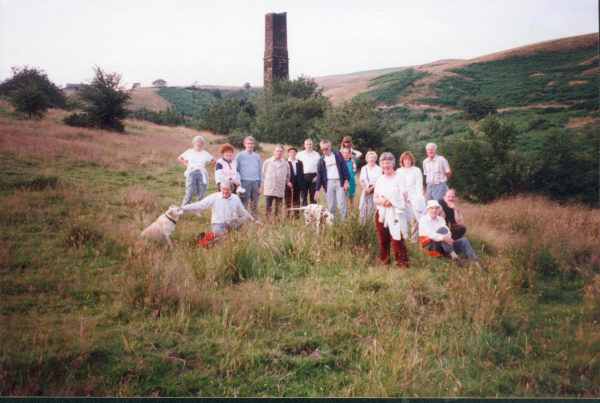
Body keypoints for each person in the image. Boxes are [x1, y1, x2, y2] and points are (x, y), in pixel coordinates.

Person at [418, 200, 482, 269]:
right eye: (432, 208)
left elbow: (447, 230)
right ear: (427, 209)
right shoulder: (423, 220)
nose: (434, 210)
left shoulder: (441, 219)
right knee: (441, 230)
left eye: (436, 208)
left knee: (464, 240)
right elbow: (430, 234)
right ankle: (454, 257)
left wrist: (448, 238)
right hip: (429, 245)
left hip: (442, 244)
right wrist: (444, 238)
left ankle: (476, 264)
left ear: (439, 210)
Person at [373, 152, 410, 268]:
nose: (385, 166)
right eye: (383, 163)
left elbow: (404, 195)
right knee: (383, 240)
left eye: (388, 163)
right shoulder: (380, 179)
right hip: (381, 213)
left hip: (396, 214)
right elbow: (375, 198)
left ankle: (402, 264)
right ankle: (385, 263)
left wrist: (392, 202)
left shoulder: (399, 177)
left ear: (393, 164)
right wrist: (384, 203)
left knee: (397, 239)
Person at [180, 180, 258, 235]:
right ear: (220, 188)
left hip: (233, 222)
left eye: (228, 190)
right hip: (218, 224)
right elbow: (199, 205)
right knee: (222, 238)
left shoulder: (235, 198)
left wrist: (253, 220)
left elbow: (242, 211)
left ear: (232, 190)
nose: (225, 192)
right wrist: (183, 208)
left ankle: (240, 235)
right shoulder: (213, 197)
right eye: (223, 189)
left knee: (246, 221)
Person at [315, 139, 350, 220]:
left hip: (339, 182)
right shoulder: (321, 160)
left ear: (330, 147)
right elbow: (319, 175)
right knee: (331, 206)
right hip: (328, 183)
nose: (324, 151)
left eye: (326, 149)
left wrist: (346, 181)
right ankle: (333, 223)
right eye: (322, 149)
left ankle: (343, 223)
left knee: (342, 204)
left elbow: (344, 168)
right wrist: (317, 189)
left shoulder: (338, 155)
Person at [397, 151, 426, 243]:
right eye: (405, 159)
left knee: (414, 220)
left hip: (413, 198)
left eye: (409, 159)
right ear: (402, 160)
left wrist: (419, 199)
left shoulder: (416, 170)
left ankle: (413, 239)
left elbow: (419, 185)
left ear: (411, 160)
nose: (407, 161)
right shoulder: (398, 171)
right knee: (402, 219)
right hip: (402, 198)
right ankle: (403, 237)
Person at [178, 135, 216, 206]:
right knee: (189, 192)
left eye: (201, 142)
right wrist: (187, 165)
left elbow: (214, 160)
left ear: (203, 144)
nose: (199, 144)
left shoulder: (205, 153)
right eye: (197, 142)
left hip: (202, 173)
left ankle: (198, 209)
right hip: (192, 172)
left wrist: (206, 165)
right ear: (194, 143)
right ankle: (184, 208)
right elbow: (180, 158)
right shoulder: (189, 152)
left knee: (201, 193)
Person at [235, 136, 263, 216]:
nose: (250, 145)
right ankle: (242, 221)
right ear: (244, 144)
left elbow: (260, 171)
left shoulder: (257, 156)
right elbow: (236, 170)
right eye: (248, 143)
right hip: (244, 182)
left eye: (251, 144)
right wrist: (239, 184)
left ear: (254, 144)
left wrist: (260, 186)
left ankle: (255, 220)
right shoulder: (239, 156)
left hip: (255, 182)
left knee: (254, 204)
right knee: (243, 204)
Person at [262, 144, 291, 220]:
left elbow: (288, 176)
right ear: (274, 152)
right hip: (269, 188)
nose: (279, 153)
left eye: (281, 151)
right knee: (268, 206)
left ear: (283, 152)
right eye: (277, 151)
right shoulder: (267, 162)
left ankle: (277, 222)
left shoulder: (285, 164)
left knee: (278, 207)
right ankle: (267, 221)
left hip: (280, 189)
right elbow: (263, 174)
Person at [359, 151, 382, 224]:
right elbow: (361, 180)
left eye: (373, 157)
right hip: (366, 190)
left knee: (376, 208)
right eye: (370, 157)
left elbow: (379, 181)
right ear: (367, 159)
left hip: (376, 190)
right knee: (364, 207)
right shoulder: (364, 168)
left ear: (375, 159)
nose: (371, 159)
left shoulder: (379, 169)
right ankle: (363, 224)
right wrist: (365, 189)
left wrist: (371, 188)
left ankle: (376, 224)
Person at [296, 139, 320, 205]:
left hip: (313, 177)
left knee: (313, 196)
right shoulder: (299, 155)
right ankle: (305, 213)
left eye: (310, 144)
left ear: (312, 145)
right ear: (304, 145)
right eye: (307, 144)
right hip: (303, 177)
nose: (308, 146)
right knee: (303, 196)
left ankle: (314, 212)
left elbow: (320, 167)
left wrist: (317, 176)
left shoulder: (316, 155)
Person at [341, 147, 362, 213]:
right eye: (344, 153)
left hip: (351, 179)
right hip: (343, 180)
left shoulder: (353, 159)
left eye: (347, 153)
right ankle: (343, 212)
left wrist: (352, 150)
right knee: (342, 198)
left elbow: (359, 154)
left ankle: (352, 213)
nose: (345, 154)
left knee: (351, 198)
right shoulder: (340, 160)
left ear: (350, 153)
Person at [285, 147, 304, 217]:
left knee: (297, 199)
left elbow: (301, 174)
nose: (292, 153)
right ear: (289, 153)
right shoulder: (286, 161)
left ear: (296, 153)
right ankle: (288, 215)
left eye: (294, 152)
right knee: (288, 199)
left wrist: (301, 184)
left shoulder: (299, 162)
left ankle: (296, 215)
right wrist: (287, 182)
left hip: (297, 182)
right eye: (291, 152)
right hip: (288, 182)